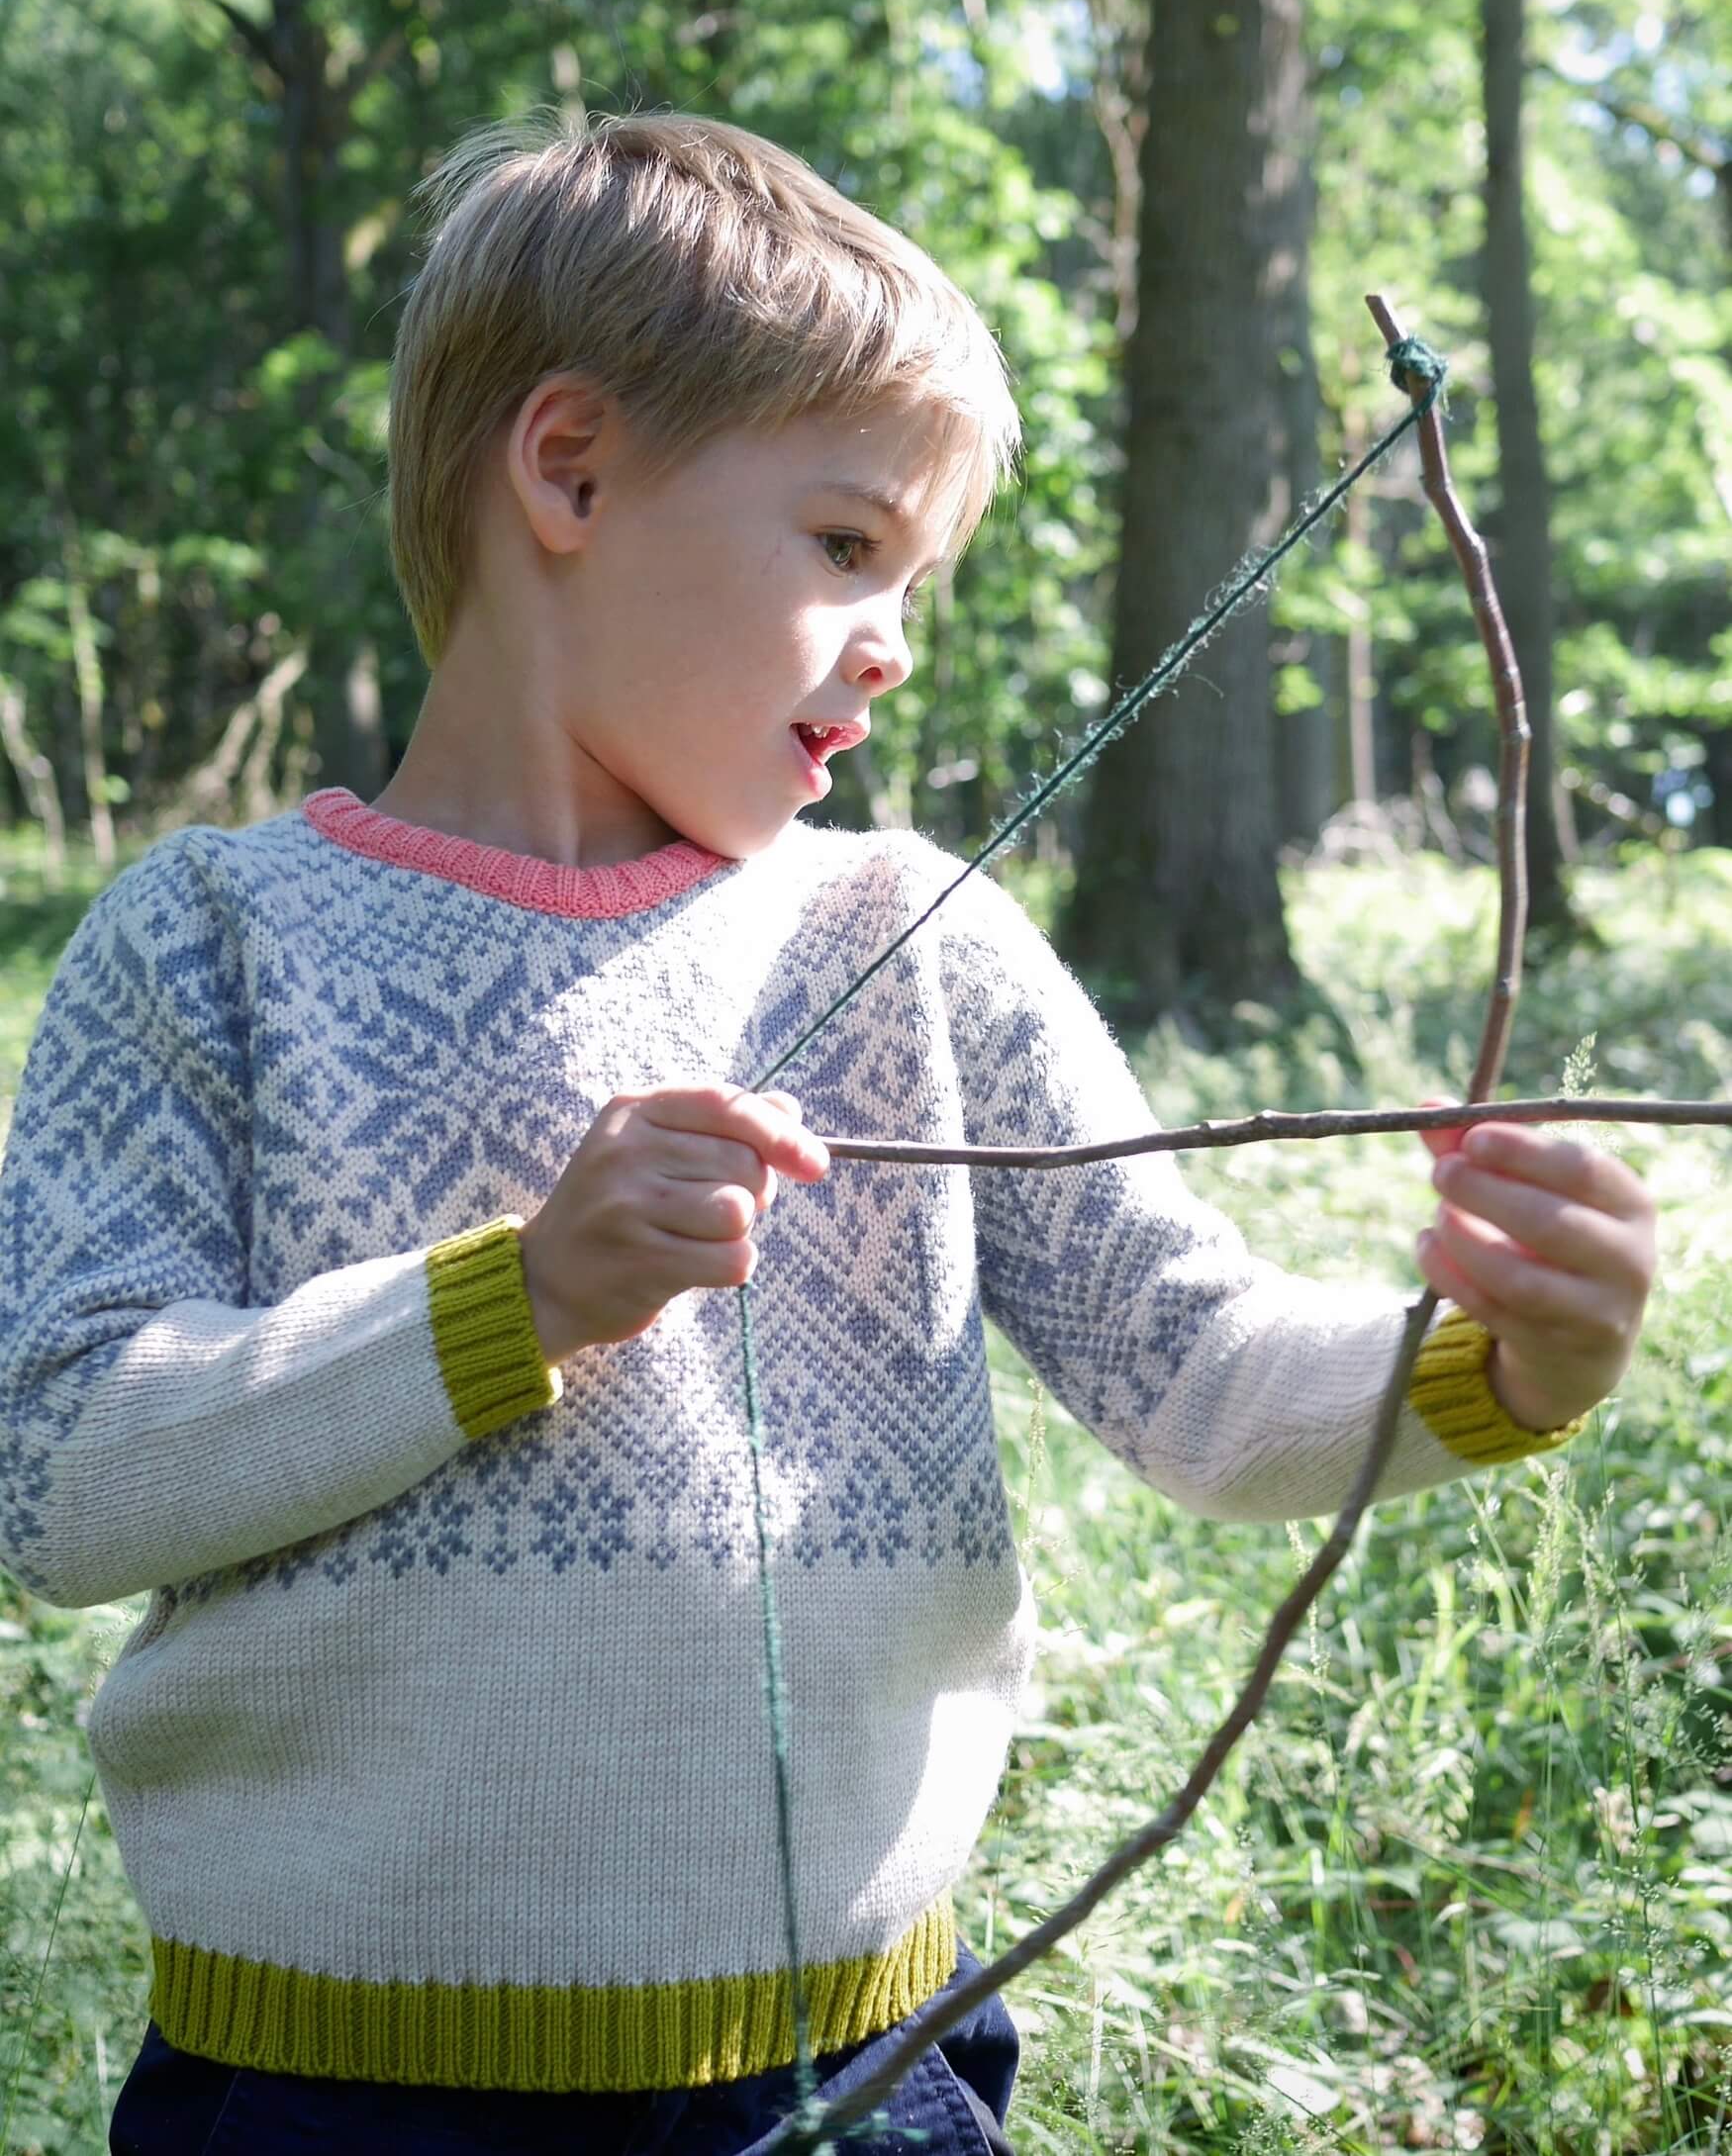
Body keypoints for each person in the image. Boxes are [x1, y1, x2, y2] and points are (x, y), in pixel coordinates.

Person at [0, 111, 1655, 2156]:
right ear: (570, 468)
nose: (892, 638)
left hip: (849, 2087)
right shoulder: (209, 942)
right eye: (846, 545)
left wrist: (1502, 1359)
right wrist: (508, 1302)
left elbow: (1204, 1382)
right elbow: (58, 1467)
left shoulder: (911, 938)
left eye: (915, 580)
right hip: (321, 2093)